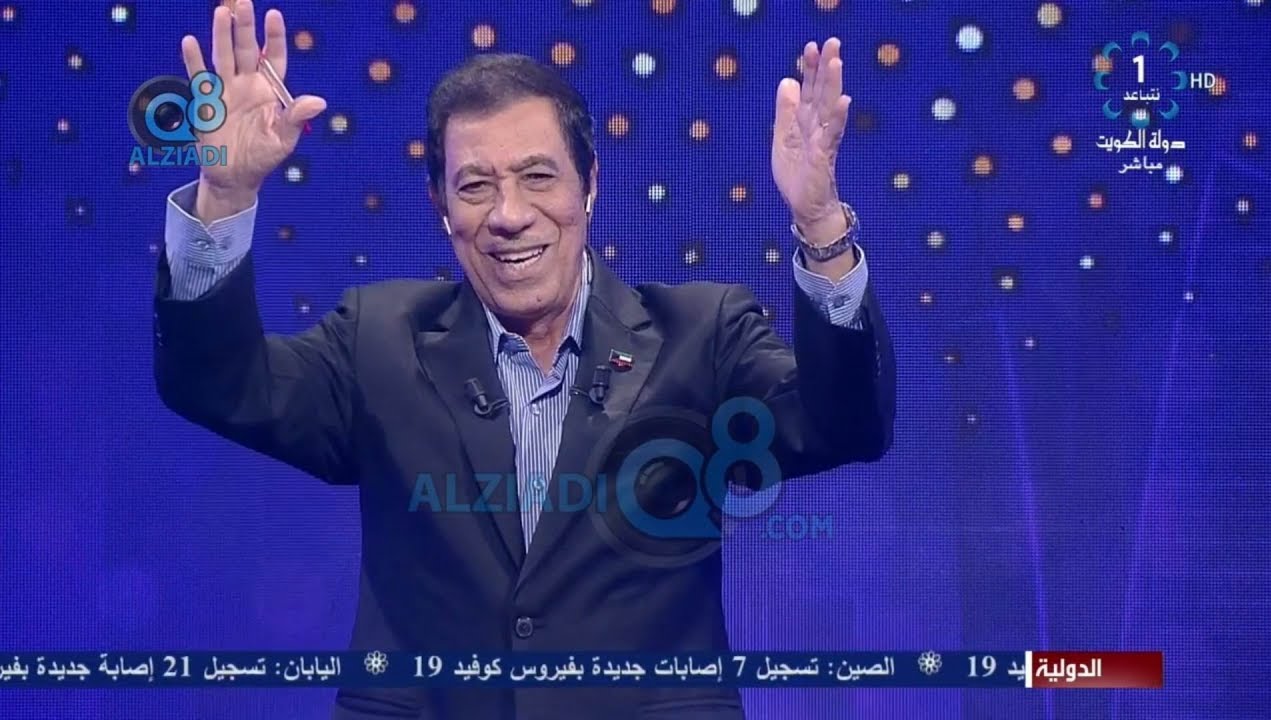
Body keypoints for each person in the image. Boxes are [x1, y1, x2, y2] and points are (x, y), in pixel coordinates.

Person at [153, 1, 896, 718]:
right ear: (441, 206)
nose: (509, 215)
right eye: (475, 186)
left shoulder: (701, 334)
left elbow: (843, 425)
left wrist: (819, 224)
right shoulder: (376, 339)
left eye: (538, 177)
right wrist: (226, 193)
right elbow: (219, 384)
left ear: (589, 185)